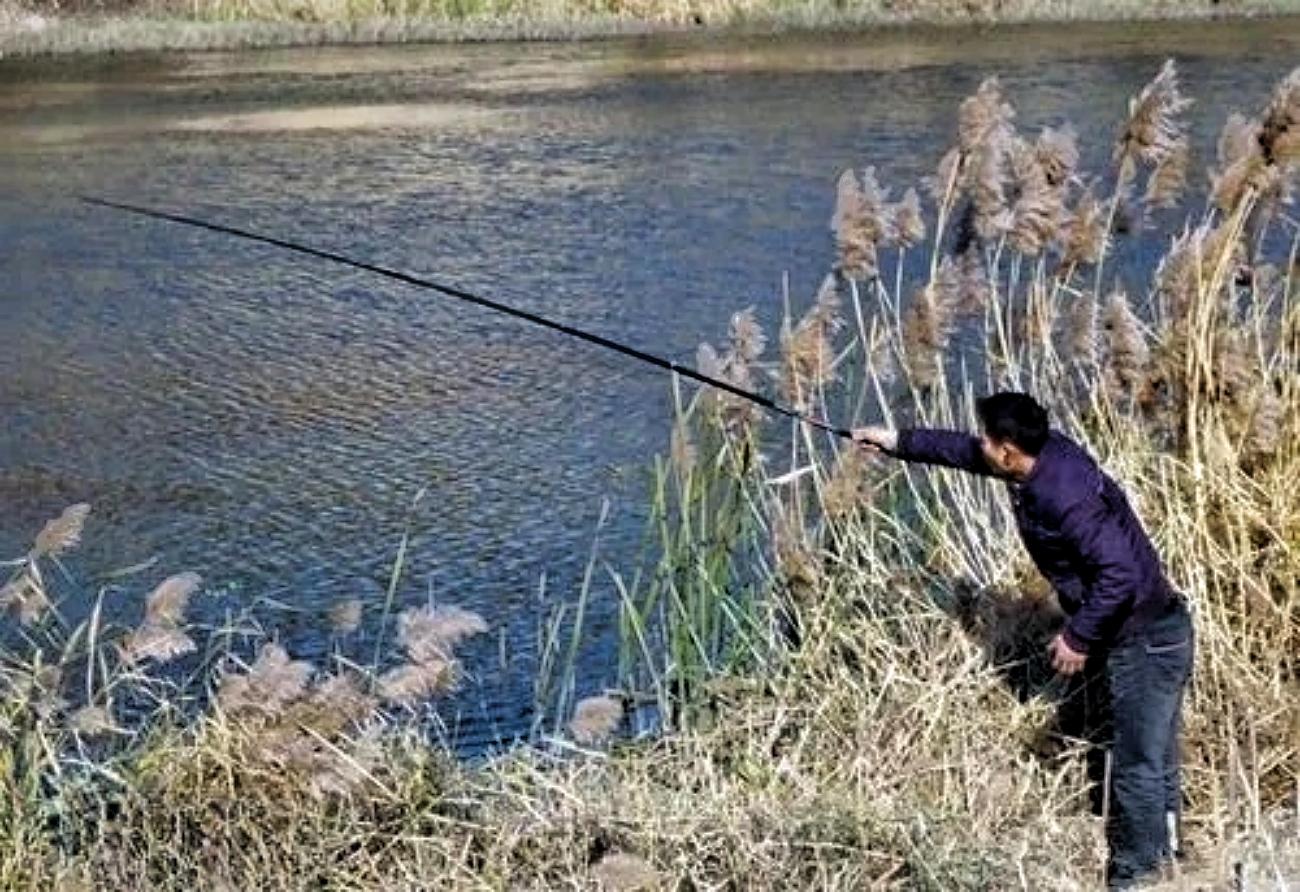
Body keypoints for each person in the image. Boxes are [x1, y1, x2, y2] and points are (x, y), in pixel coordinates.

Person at [853, 391, 1194, 890]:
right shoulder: (1035, 458)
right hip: (1152, 631)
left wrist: (1077, 637)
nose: (981, 446)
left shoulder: (1063, 493)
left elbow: (1119, 573)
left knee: (1139, 765)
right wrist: (897, 441)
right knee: (1154, 755)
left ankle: (1136, 877)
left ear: (1009, 450)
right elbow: (965, 453)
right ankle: (1168, 858)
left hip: (1146, 639)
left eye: (988, 440)